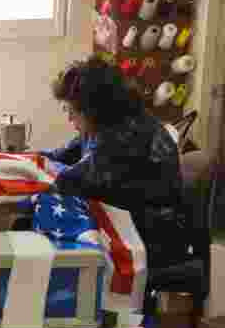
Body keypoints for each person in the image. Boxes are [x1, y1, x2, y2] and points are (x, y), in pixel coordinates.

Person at [42, 56, 188, 268]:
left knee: (40, 224)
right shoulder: (103, 125)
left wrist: (25, 174)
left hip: (150, 237)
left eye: (72, 111)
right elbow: (58, 157)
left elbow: (68, 181)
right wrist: (19, 160)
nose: (70, 119)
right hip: (125, 223)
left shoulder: (129, 132)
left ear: (92, 109)